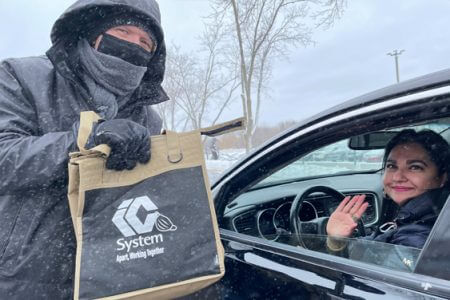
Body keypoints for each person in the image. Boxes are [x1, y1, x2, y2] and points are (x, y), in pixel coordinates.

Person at [0, 0, 168, 298]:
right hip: (25, 276)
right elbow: (5, 158)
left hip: (117, 274)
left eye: (145, 42)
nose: (134, 45)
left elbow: (154, 195)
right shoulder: (21, 76)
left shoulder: (147, 118)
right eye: (123, 31)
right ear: (94, 31)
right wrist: (84, 142)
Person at [326, 129, 450, 255]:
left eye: (415, 167)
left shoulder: (416, 237)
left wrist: (335, 245)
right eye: (392, 166)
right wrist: (337, 240)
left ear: (442, 177)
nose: (397, 177)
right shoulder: (425, 216)